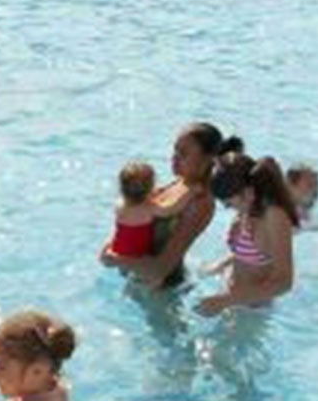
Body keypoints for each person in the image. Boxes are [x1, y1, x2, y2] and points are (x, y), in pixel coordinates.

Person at [100, 122, 240, 288]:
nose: (174, 157)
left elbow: (160, 269)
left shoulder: (199, 202)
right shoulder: (181, 182)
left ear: (207, 159)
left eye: (183, 153)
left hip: (162, 292)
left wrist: (114, 259)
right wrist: (113, 245)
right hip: (137, 274)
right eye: (175, 150)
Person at [198, 153, 299, 315]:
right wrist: (217, 267)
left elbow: (284, 282)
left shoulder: (274, 217)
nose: (227, 208)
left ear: (248, 192)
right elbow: (246, 256)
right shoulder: (248, 208)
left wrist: (225, 300)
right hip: (230, 295)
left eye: (229, 203)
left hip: (251, 311)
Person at [108, 160, 163, 255]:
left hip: (118, 250)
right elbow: (172, 209)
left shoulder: (120, 205)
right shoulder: (150, 209)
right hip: (139, 255)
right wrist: (191, 192)